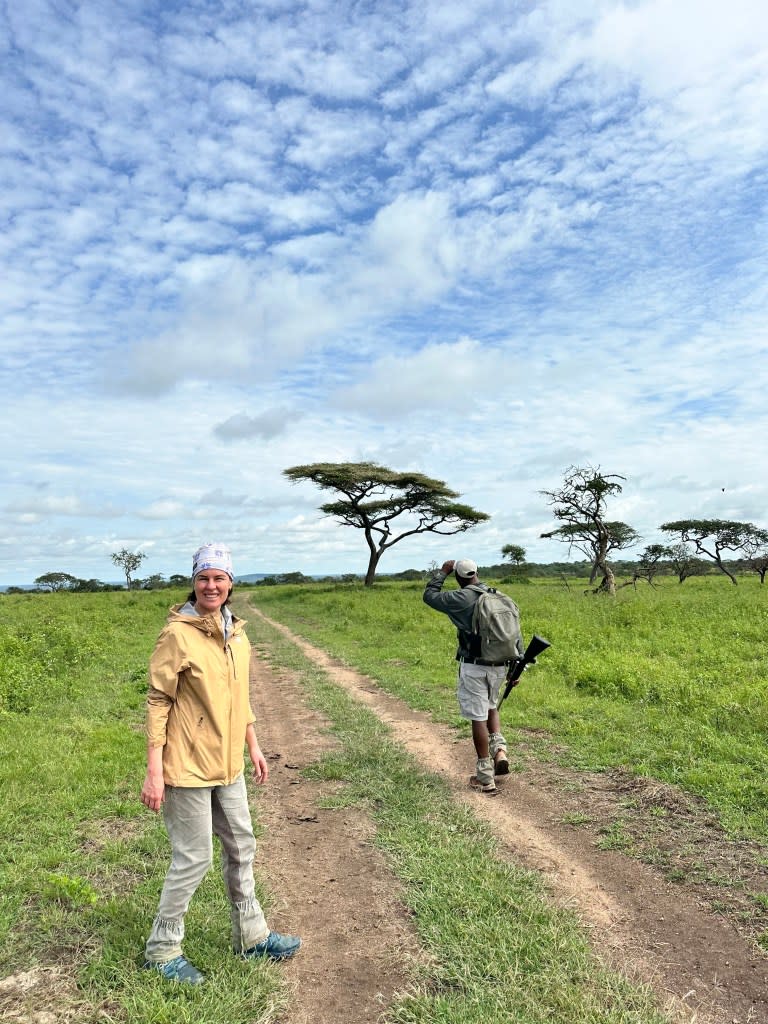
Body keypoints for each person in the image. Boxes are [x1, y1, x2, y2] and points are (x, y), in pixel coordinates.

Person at [140, 542, 301, 984]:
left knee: (242, 847)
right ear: (193, 582)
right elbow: (157, 701)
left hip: (228, 764)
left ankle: (251, 936)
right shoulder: (178, 634)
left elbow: (239, 697)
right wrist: (155, 769)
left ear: (231, 583)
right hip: (187, 766)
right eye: (203, 578)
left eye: (219, 578)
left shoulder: (238, 634)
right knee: (194, 859)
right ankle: (162, 949)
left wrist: (253, 746)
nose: (211, 586)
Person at [423, 558, 523, 795]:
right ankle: (499, 749)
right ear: (477, 573)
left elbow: (430, 596)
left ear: (459, 576)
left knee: (478, 718)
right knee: (491, 706)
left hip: (475, 666)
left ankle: (485, 777)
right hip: (501, 665)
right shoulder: (501, 596)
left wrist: (442, 572)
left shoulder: (461, 598)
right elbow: (516, 633)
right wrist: (515, 667)